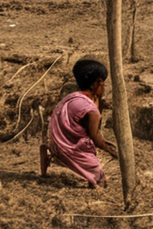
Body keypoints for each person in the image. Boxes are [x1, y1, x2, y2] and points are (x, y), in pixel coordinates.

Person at [40, 58, 118, 188]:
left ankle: (44, 172)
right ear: (99, 82)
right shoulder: (90, 109)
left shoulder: (70, 98)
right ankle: (92, 178)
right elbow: (95, 137)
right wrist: (111, 151)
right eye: (103, 84)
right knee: (101, 181)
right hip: (70, 150)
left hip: (54, 145)